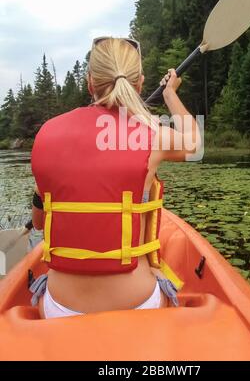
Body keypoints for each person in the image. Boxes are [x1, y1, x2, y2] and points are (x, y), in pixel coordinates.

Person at [29, 37, 201, 318]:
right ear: (140, 83)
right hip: (138, 302)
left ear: (89, 83)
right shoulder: (151, 134)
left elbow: (38, 223)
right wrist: (170, 93)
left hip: (60, 308)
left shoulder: (46, 133)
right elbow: (195, 144)